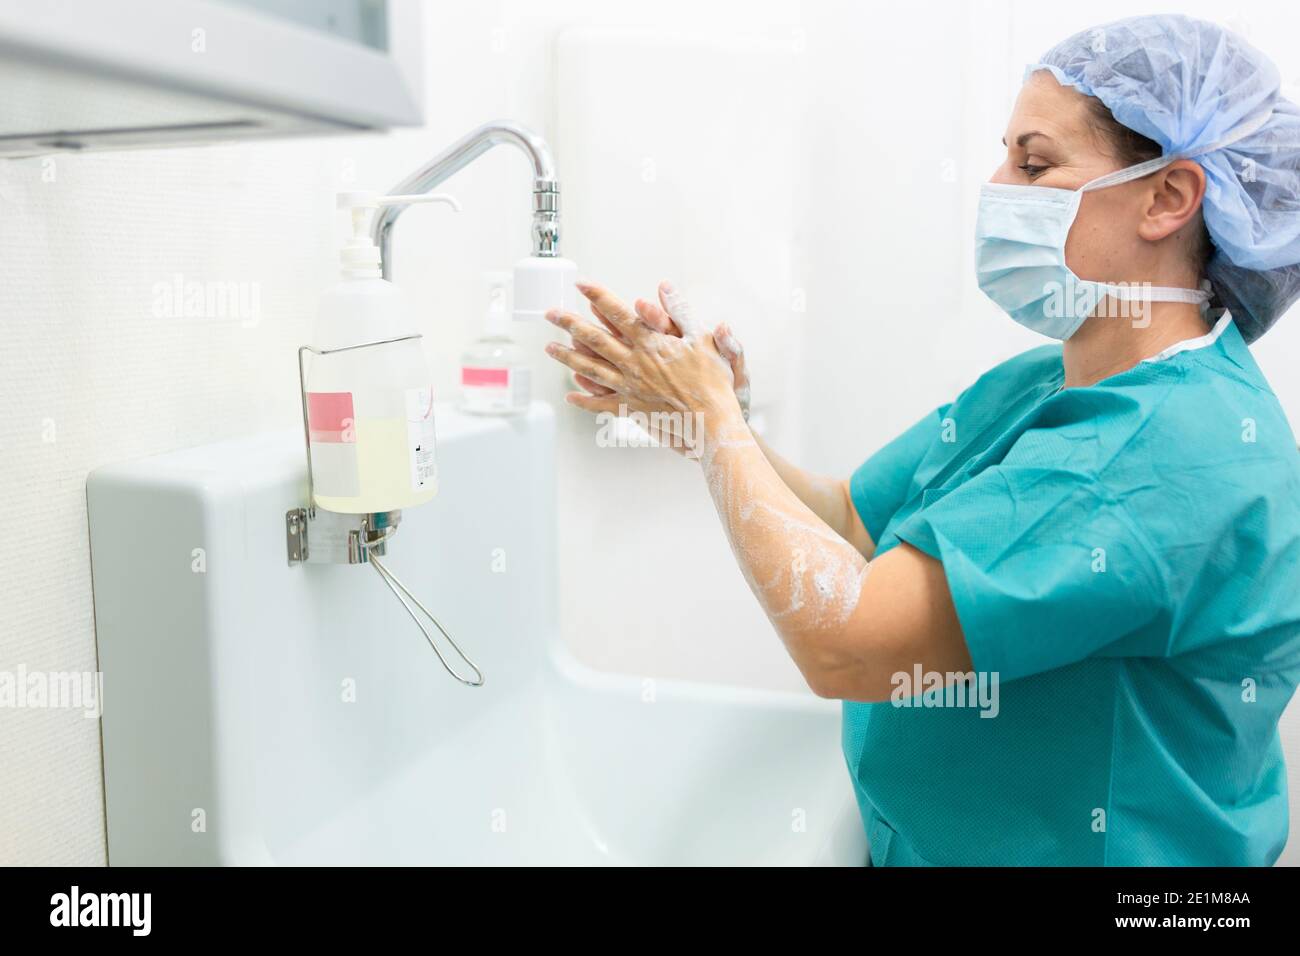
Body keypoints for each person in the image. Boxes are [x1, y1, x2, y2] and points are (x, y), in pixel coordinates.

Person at [542, 14, 1300, 865]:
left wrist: (719, 423)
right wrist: (712, 431)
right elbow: (857, 527)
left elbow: (847, 641)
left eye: (1034, 162)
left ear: (1168, 198)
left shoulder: (1166, 458)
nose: (995, 184)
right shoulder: (1049, 381)